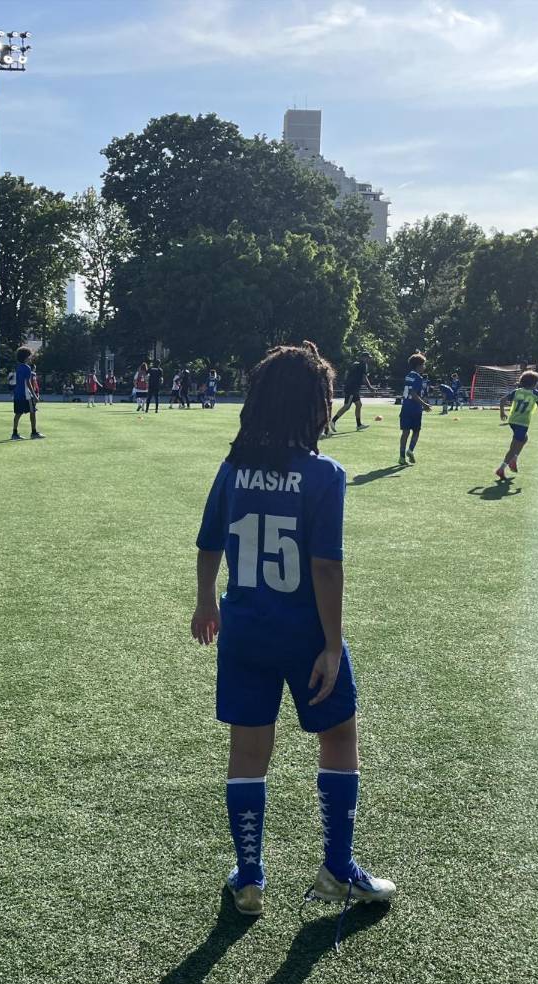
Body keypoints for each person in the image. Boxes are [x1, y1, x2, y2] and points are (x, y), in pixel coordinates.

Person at [191, 340, 395, 923]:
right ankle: (337, 866)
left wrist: (207, 603)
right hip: (304, 633)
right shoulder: (325, 474)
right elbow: (325, 566)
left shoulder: (233, 468)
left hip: (245, 628)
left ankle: (250, 877)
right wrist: (332, 644)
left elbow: (208, 544)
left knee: (249, 751)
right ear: (314, 405)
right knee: (338, 739)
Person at [496, 369, 538, 480]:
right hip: (522, 423)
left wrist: (502, 412)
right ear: (534, 383)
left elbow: (502, 400)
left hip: (513, 421)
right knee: (513, 447)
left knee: (524, 438)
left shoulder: (517, 391)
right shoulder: (535, 393)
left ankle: (514, 460)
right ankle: (502, 468)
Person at [399, 353, 432, 465]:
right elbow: (413, 393)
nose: (424, 367)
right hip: (415, 408)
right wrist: (424, 404)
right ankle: (410, 450)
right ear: (418, 365)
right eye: (423, 365)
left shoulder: (408, 375)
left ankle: (402, 456)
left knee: (405, 432)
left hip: (405, 407)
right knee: (416, 431)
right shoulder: (418, 377)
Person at [330, 353, 374, 432]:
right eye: (367, 358)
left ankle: (359, 425)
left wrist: (346, 383)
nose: (368, 359)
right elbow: (364, 377)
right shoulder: (363, 365)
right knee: (347, 406)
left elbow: (346, 373)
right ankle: (333, 421)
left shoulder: (354, 364)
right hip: (352, 388)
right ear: (363, 358)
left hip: (352, 387)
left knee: (358, 404)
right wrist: (370, 387)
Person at [11, 346, 43, 440]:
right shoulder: (27, 368)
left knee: (18, 413)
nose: (30, 358)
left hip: (17, 394)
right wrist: (34, 395)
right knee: (32, 412)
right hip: (26, 395)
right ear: (25, 357)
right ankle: (34, 432)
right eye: (29, 356)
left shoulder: (17, 367)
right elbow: (28, 383)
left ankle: (14, 433)